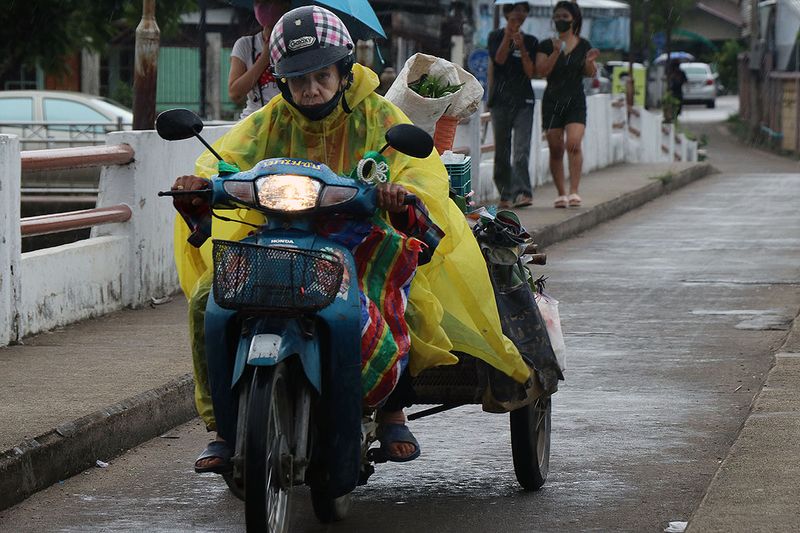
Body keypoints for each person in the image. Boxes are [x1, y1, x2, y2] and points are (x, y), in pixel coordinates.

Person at [172, 6, 531, 473]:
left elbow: (418, 171)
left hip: (361, 237)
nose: (311, 88)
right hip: (280, 235)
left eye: (322, 75)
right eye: (298, 79)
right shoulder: (269, 120)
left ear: (343, 72)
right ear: (281, 82)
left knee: (403, 297)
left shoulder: (380, 115)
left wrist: (400, 192)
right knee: (208, 299)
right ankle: (223, 427)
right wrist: (200, 183)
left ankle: (392, 409)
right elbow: (224, 159)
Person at [535, 1, 599, 209]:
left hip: (575, 101)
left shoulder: (584, 44)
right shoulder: (546, 45)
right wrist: (555, 51)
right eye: (558, 16)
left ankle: (574, 191)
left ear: (574, 20)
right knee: (555, 148)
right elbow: (541, 71)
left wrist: (590, 63)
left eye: (565, 17)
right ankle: (561, 193)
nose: (561, 20)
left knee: (573, 143)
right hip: (553, 100)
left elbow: (590, 73)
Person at [487, 2, 538, 209]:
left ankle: (523, 192)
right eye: (515, 11)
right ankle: (505, 194)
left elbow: (531, 72)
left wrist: (522, 47)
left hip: (524, 101)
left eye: (523, 11)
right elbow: (498, 60)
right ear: (507, 14)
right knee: (501, 150)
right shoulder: (495, 37)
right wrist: (508, 37)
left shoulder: (532, 41)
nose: (519, 15)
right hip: (500, 102)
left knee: (521, 150)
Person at [227, 0, 289, 119]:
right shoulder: (245, 45)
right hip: (254, 122)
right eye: (258, 2)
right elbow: (235, 94)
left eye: (268, 2)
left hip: (287, 121)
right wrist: (264, 58)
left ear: (285, 5)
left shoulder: (295, 43)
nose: (261, 7)